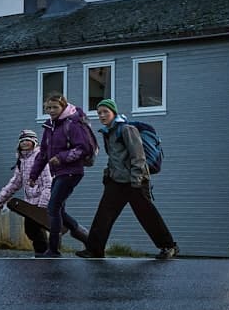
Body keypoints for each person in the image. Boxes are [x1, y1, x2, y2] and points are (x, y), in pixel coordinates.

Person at [76, 98, 179, 259]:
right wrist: (108, 173)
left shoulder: (126, 129)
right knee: (104, 214)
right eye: (99, 113)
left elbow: (138, 156)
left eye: (105, 112)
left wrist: (137, 179)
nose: (102, 115)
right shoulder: (108, 132)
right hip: (116, 181)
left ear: (113, 113)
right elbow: (114, 157)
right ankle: (94, 250)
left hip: (135, 181)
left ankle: (169, 246)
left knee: (147, 215)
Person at [28, 93, 91, 257]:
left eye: (55, 107)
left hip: (72, 172)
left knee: (53, 207)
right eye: (48, 107)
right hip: (60, 173)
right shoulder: (50, 126)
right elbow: (42, 154)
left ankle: (53, 250)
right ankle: (90, 240)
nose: (51, 110)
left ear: (63, 106)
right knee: (59, 210)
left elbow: (82, 148)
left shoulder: (72, 123)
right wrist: (33, 175)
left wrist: (61, 157)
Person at [0, 129, 54, 256]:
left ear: (34, 142)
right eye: (22, 141)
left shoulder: (40, 157)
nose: (25, 143)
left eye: (28, 140)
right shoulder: (21, 161)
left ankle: (43, 253)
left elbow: (48, 183)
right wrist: (1, 199)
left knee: (36, 229)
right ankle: (43, 252)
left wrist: (43, 205)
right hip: (30, 201)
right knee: (30, 230)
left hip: (41, 201)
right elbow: (15, 182)